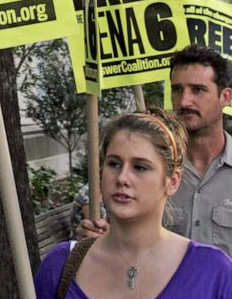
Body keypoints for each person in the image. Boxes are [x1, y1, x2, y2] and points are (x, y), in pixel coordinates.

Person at [35, 108, 232, 299]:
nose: (122, 178)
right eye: (114, 164)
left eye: (140, 167)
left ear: (172, 182)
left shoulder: (211, 271)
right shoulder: (61, 264)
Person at [77, 45, 232, 253]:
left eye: (198, 90)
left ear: (226, 97)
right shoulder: (151, 163)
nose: (184, 101)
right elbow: (92, 195)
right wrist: (98, 230)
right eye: (177, 90)